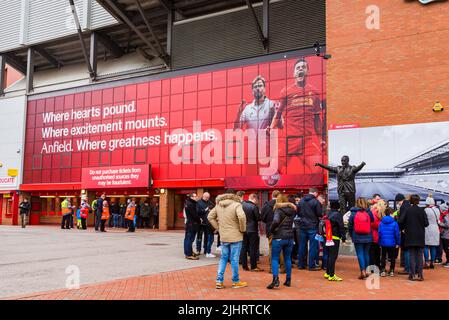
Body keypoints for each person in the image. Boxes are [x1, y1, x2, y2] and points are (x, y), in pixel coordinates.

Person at [271, 58, 326, 174]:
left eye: (303, 67)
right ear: (294, 73)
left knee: (318, 170)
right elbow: (278, 113)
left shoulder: (315, 92)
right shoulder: (286, 91)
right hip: (288, 140)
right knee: (273, 170)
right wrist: (271, 128)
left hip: (307, 140)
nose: (300, 69)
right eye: (298, 68)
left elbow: (317, 119)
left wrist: (321, 139)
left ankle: (314, 192)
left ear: (307, 72)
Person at [208, 189, 247, 289]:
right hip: (236, 236)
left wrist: (218, 228)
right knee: (234, 259)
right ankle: (236, 281)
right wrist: (242, 229)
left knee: (223, 258)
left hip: (224, 236)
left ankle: (219, 281)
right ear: (234, 195)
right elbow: (242, 217)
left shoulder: (219, 205)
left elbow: (210, 217)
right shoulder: (237, 204)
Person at [267, 194, 296, 289]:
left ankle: (275, 279)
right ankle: (288, 279)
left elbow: (275, 221)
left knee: (275, 258)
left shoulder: (278, 210)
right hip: (290, 237)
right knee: (287, 258)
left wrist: (271, 230)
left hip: (279, 237)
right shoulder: (292, 210)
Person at [398, 194, 429, 281]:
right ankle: (420, 275)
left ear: (411, 201)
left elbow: (400, 220)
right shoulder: (422, 210)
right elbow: (426, 223)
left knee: (412, 255)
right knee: (419, 256)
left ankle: (412, 275)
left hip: (410, 235)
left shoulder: (408, 210)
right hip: (420, 235)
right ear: (418, 201)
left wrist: (405, 226)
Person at [348, 197, 374, 279]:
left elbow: (350, 225)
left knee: (360, 253)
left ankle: (362, 271)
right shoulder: (368, 212)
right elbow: (372, 220)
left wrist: (351, 234)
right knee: (366, 253)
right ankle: (367, 271)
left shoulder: (353, 213)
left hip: (357, 235)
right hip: (368, 235)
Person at [298, 188, 322, 271]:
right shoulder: (316, 202)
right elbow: (319, 213)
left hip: (302, 226)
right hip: (312, 226)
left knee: (302, 246)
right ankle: (311, 265)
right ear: (315, 193)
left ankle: (301, 264)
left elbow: (298, 212)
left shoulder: (301, 201)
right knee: (313, 246)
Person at [261, 190, 285, 273]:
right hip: (281, 229)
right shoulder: (283, 205)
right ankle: (282, 268)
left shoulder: (266, 206)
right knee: (281, 248)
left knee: (271, 248)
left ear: (272, 195)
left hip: (270, 229)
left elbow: (262, 218)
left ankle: (272, 268)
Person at [323, 200, 346, 281]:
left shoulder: (328, 213)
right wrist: (343, 237)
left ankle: (328, 272)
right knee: (333, 256)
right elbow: (341, 226)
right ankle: (331, 275)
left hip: (327, 236)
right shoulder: (338, 215)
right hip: (334, 237)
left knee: (329, 255)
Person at [241, 193, 263, 272]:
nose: (257, 202)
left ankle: (244, 266)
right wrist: (260, 215)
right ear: (254, 198)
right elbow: (258, 218)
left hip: (244, 229)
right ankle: (253, 266)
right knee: (252, 248)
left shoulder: (242, 205)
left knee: (244, 247)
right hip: (252, 230)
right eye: (257, 200)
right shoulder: (254, 207)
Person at [378, 207, 400, 276]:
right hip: (392, 242)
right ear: (391, 213)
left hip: (383, 242)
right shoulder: (394, 223)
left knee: (383, 257)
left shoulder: (381, 222)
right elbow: (397, 234)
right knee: (392, 257)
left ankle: (382, 270)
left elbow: (379, 233)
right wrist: (398, 242)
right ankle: (391, 270)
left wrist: (379, 242)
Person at [423, 196, 441, 269]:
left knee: (426, 245)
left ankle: (427, 262)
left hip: (427, 228)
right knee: (433, 246)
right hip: (435, 228)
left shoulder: (426, 210)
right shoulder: (437, 210)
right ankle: (432, 262)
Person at [396, 193, 411, 275]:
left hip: (405, 230)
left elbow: (401, 219)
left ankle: (407, 268)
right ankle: (409, 268)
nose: (398, 203)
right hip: (410, 230)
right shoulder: (408, 204)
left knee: (406, 250)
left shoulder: (403, 206)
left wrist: (399, 227)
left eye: (398, 201)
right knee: (409, 250)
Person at [196, 192, 215, 257]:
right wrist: (205, 210)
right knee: (199, 236)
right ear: (203, 196)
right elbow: (197, 212)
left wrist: (211, 210)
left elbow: (213, 208)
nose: (207, 199)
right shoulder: (198, 202)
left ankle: (206, 249)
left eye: (208, 197)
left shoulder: (210, 202)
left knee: (207, 237)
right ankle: (198, 249)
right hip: (200, 222)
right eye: (206, 197)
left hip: (207, 222)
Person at [369, 199, 387, 270]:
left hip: (375, 235)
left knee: (375, 252)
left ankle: (374, 266)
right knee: (374, 253)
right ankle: (373, 267)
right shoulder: (376, 212)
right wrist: (382, 225)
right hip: (374, 235)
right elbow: (374, 224)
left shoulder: (374, 212)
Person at [184, 193, 201, 260]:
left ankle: (189, 252)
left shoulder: (189, 203)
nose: (196, 197)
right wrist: (199, 220)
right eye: (195, 196)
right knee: (189, 239)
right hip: (192, 224)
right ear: (191, 197)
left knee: (188, 239)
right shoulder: (191, 204)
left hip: (190, 224)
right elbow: (194, 215)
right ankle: (188, 254)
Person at [437, 202, 449, 267]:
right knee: (445, 249)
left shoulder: (446, 215)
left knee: (447, 249)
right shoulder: (445, 214)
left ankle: (448, 262)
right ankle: (447, 261)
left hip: (446, 235)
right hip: (445, 234)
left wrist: (440, 223)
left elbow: (447, 225)